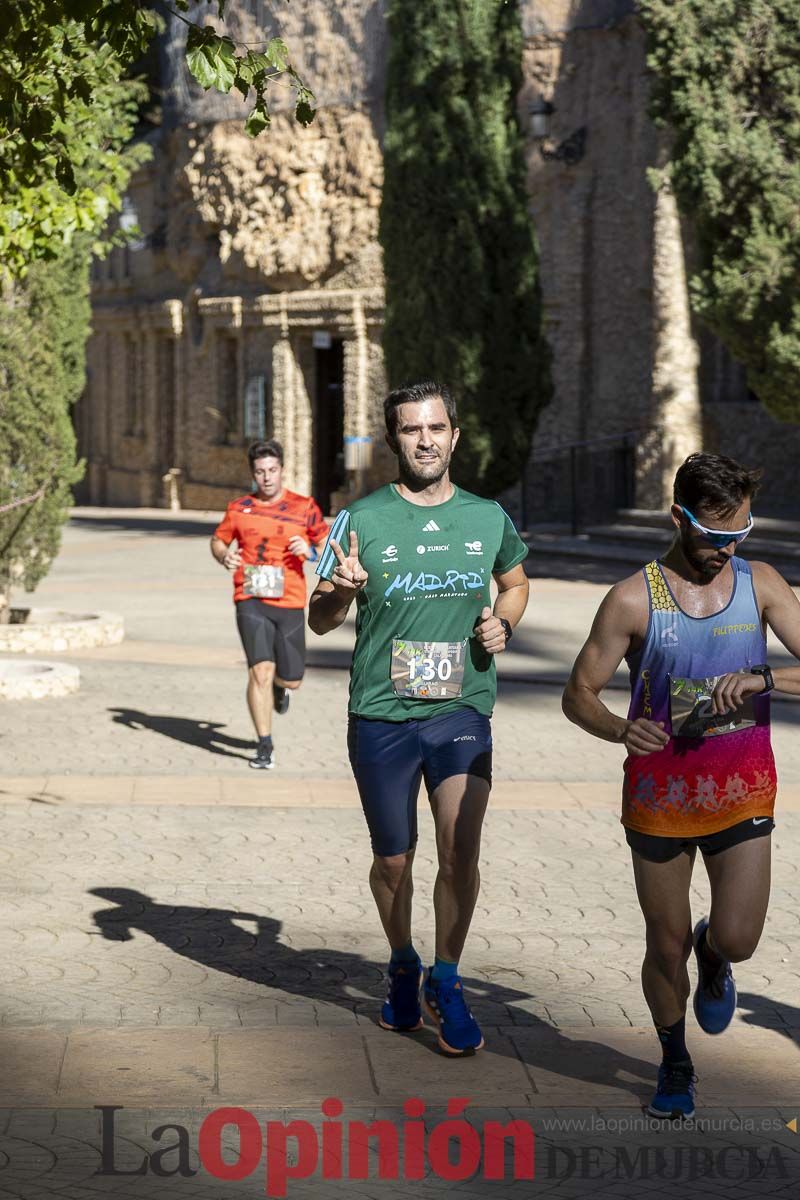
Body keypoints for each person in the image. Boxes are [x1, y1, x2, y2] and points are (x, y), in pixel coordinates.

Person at [562, 452, 800, 1119]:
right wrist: (617, 728)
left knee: (740, 936)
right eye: (715, 535)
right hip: (659, 800)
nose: (727, 549)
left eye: (740, 536)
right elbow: (577, 692)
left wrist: (763, 679)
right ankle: (674, 1058)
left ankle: (714, 953)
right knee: (661, 944)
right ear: (678, 518)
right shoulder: (633, 598)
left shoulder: (764, 585)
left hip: (743, 789)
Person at [309, 380, 530, 1055]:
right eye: (411, 430)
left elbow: (515, 582)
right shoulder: (360, 520)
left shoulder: (487, 517)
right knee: (395, 862)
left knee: (461, 847)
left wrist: (504, 623)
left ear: (455, 435)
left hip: (462, 709)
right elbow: (318, 621)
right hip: (382, 714)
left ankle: (449, 977)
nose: (426, 440)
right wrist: (341, 592)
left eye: (436, 428)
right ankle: (403, 959)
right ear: (394, 439)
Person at [210, 439, 330, 769]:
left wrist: (311, 553)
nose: (266, 478)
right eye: (260, 472)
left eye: (272, 471)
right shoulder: (238, 508)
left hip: (289, 600)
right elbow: (218, 540)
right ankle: (264, 743)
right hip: (250, 599)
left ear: (282, 471)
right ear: (252, 473)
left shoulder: (304, 507)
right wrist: (225, 555)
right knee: (259, 671)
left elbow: (328, 546)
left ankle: (282, 689)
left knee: (291, 678)